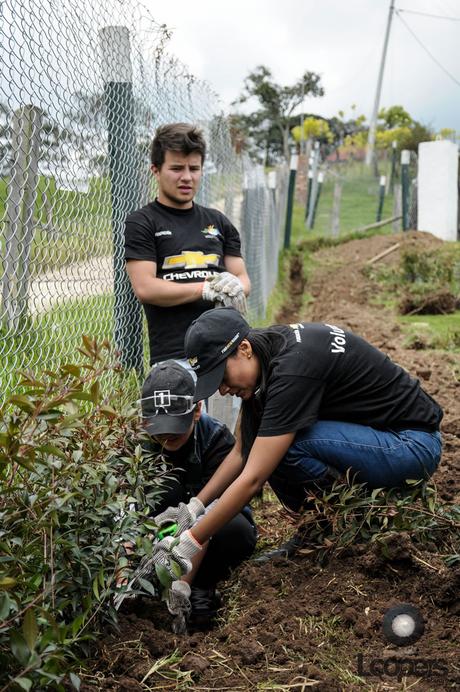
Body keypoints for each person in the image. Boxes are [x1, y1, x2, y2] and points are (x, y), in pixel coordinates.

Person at [147, 307, 443, 578]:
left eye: (221, 376)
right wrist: (195, 506)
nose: (223, 390)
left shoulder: (292, 370)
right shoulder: (268, 353)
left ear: (244, 349)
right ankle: (319, 530)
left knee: (283, 447)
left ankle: (344, 526)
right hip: (378, 440)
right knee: (270, 443)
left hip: (411, 446)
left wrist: (191, 540)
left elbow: (253, 477)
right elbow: (242, 449)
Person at [137, 358, 257, 630]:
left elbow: (216, 510)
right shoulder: (138, 451)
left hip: (211, 535)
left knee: (236, 529)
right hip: (161, 536)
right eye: (159, 434)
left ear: (197, 410)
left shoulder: (216, 439)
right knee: (167, 489)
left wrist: (183, 584)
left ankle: (204, 585)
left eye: (175, 434)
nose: (166, 440)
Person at [124, 122, 251, 366]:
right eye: (176, 168)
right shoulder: (143, 223)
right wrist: (204, 290)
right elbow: (145, 287)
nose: (186, 177)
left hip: (230, 352)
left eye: (194, 168)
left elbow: (243, 280)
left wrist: (233, 285)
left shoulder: (219, 222)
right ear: (156, 170)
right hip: (175, 357)